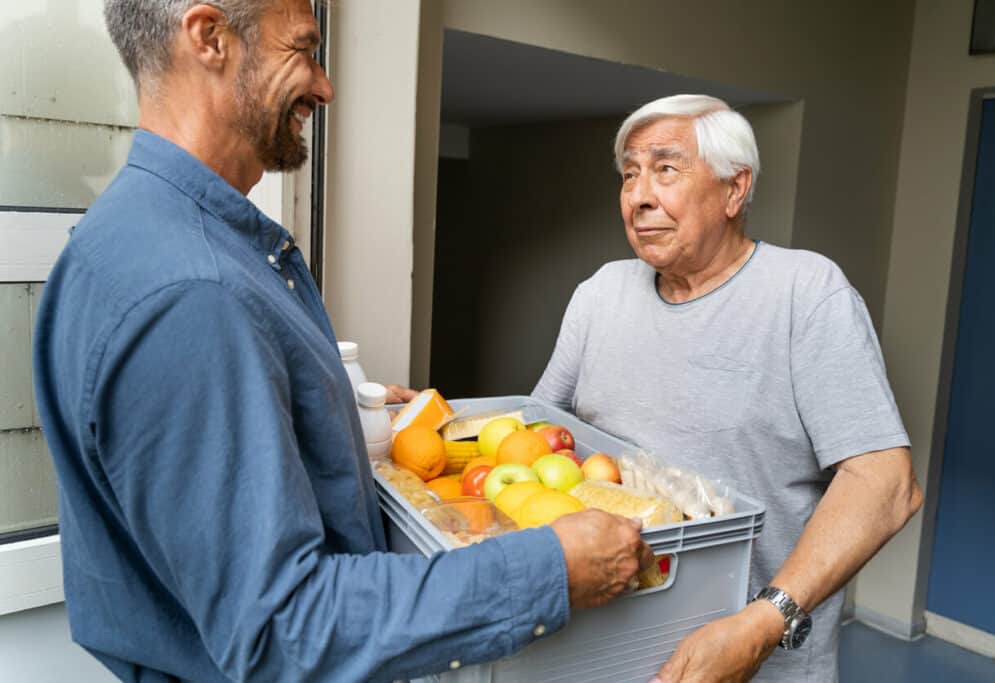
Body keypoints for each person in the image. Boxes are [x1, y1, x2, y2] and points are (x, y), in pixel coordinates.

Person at [32, 1, 653, 681]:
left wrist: (323, 415)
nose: (324, 86)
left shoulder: (117, 238)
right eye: (301, 49)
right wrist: (549, 569)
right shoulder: (195, 292)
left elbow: (175, 483)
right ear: (210, 38)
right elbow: (284, 628)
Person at [532, 94, 923, 683]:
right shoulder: (600, 293)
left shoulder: (806, 294)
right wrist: (442, 423)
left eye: (666, 169)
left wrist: (765, 622)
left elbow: (885, 484)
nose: (639, 196)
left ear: (735, 190)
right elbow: (540, 432)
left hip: (756, 654)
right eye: (630, 174)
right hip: (605, 645)